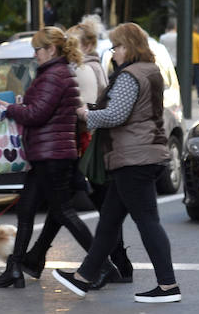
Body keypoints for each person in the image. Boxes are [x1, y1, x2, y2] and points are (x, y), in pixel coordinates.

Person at [55, 23, 181, 303]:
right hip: (142, 153)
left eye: (117, 47)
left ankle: (168, 285)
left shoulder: (130, 76)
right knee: (109, 221)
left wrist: (86, 114)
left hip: (133, 157)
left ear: (129, 46)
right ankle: (84, 277)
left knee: (147, 222)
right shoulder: (151, 71)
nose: (114, 53)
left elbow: (116, 115)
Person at [18, 17, 131, 283]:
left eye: (38, 50)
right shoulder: (92, 68)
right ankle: (31, 260)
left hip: (71, 148)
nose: (35, 55)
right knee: (66, 210)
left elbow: (52, 112)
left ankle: (106, 267)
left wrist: (15, 108)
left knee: (77, 210)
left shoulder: (74, 71)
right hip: (75, 147)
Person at [0, 27, 95, 289]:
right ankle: (15, 269)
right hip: (48, 153)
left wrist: (9, 108)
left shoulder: (54, 75)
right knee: (26, 209)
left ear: (51, 50)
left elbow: (37, 114)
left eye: (38, 49)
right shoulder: (56, 73)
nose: (34, 55)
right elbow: (43, 109)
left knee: (64, 212)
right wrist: (22, 104)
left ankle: (100, 264)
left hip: (52, 155)